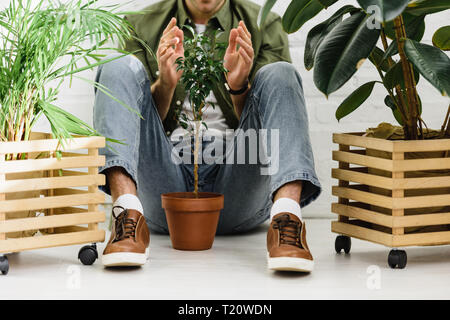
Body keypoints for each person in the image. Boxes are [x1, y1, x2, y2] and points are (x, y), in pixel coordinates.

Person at [94, 0, 321, 272]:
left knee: (280, 73)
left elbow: (273, 118)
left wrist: (238, 87)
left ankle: (287, 218)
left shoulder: (265, 24)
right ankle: (126, 215)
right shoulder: (138, 24)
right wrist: (165, 85)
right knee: (117, 66)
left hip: (238, 187)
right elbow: (131, 120)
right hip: (162, 189)